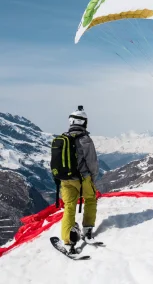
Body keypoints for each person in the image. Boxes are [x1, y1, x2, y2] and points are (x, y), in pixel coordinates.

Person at [60, 106, 99, 249]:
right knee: (90, 199)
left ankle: (67, 239)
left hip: (65, 179)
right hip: (82, 178)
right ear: (84, 122)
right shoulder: (85, 139)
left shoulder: (63, 138)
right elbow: (92, 162)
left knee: (69, 207)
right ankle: (87, 230)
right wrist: (92, 178)